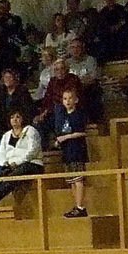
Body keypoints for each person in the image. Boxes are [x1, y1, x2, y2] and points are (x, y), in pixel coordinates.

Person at [0, 109, 45, 208]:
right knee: (0, 174)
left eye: (17, 117)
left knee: (12, 177)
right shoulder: (6, 135)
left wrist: (17, 162)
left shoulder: (30, 130)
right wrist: (5, 163)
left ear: (23, 119)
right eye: (12, 117)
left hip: (32, 164)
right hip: (12, 166)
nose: (15, 120)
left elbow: (33, 151)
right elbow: (0, 154)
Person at [53, 86, 90, 218]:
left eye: (70, 98)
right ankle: (76, 205)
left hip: (77, 150)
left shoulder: (78, 114)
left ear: (76, 100)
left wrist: (66, 137)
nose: (67, 101)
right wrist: (59, 140)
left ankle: (81, 206)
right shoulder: (62, 116)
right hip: (66, 152)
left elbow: (81, 132)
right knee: (72, 181)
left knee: (78, 179)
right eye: (65, 99)